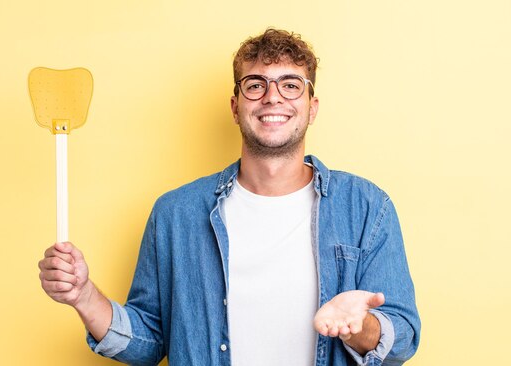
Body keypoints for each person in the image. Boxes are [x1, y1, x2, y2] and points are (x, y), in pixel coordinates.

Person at [39, 28, 420, 366]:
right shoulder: (176, 214)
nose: (273, 97)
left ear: (312, 107)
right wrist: (84, 296)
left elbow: (403, 339)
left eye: (291, 85)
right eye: (256, 84)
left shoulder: (367, 208)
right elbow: (149, 343)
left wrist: (360, 326)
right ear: (236, 106)